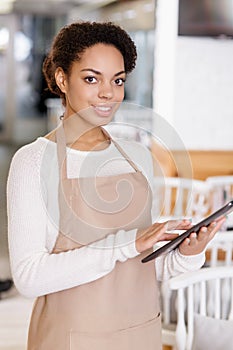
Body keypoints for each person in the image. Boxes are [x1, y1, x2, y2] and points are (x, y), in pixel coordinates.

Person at [7, 21, 224, 350]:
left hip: (140, 332)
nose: (108, 93)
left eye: (118, 80)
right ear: (62, 79)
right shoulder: (34, 161)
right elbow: (29, 277)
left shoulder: (138, 156)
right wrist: (126, 244)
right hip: (71, 338)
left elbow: (141, 264)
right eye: (91, 78)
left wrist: (186, 254)